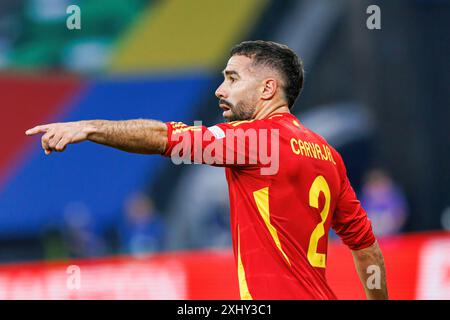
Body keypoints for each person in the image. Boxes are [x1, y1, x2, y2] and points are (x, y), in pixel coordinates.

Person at [25, 40, 388, 300]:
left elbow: (165, 137)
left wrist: (91, 127)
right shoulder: (327, 154)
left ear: (267, 89)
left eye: (232, 78)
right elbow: (367, 248)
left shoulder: (254, 140)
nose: (220, 89)